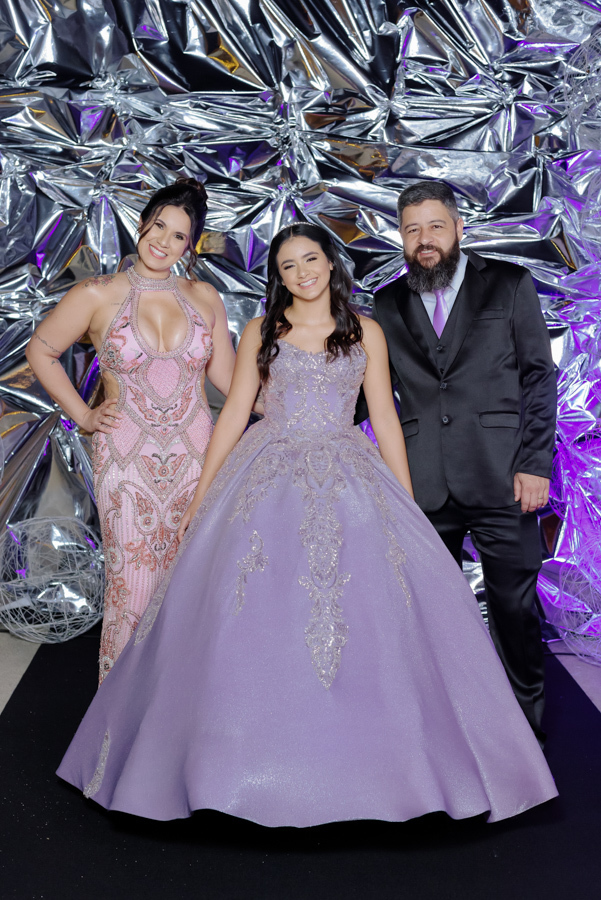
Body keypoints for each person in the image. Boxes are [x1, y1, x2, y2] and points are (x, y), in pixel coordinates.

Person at [57, 223, 557, 827]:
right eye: (288, 266)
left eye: (311, 259)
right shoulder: (260, 330)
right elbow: (234, 412)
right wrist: (201, 498)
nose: (302, 273)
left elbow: (386, 419)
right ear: (279, 277)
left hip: (348, 474)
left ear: (330, 263)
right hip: (266, 470)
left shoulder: (365, 330)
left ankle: (380, 765)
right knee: (249, 608)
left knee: (364, 614)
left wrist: (405, 503)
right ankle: (227, 762)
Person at [355, 181, 557, 744]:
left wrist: (535, 464)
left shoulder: (510, 284)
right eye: (412, 229)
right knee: (425, 612)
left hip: (503, 476)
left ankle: (525, 733)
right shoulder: (388, 303)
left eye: (435, 227)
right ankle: (441, 730)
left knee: (514, 610)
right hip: (420, 482)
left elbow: (539, 377)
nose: (424, 240)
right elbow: (372, 390)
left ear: (459, 229)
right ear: (401, 236)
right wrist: (299, 414)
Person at [26, 177, 237, 682]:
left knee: (189, 590)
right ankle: (121, 719)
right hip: (126, 461)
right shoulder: (97, 293)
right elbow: (41, 350)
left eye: (179, 235)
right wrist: (83, 416)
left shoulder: (205, 297)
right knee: (133, 589)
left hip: (196, 461)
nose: (163, 241)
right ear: (142, 224)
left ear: (190, 246)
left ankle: (179, 714)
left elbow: (232, 382)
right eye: (158, 226)